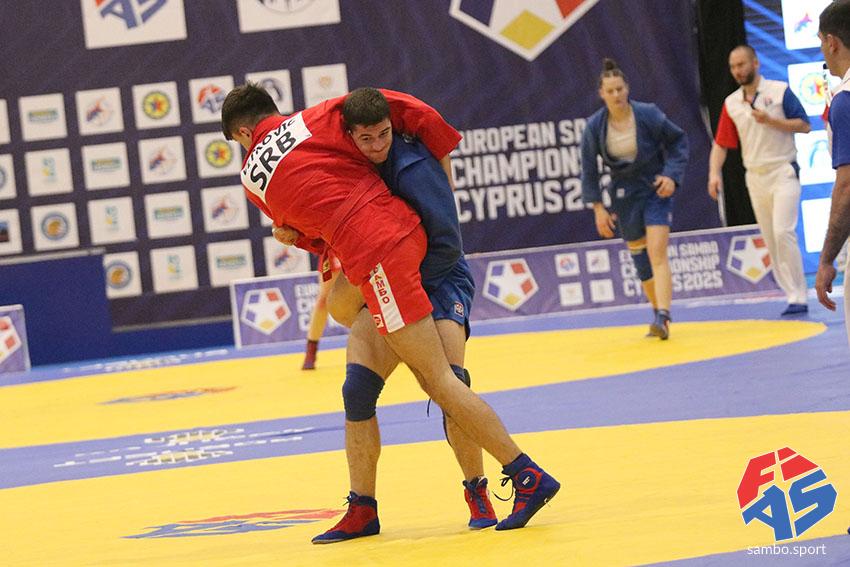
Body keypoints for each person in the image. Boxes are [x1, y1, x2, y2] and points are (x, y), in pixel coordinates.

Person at [222, 84, 559, 537]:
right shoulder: (315, 120)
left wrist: (300, 237)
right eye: (367, 138)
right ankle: (363, 507)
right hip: (394, 249)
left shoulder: (253, 176)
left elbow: (306, 230)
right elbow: (406, 110)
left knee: (442, 380)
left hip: (399, 259)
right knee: (358, 388)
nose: (376, 145)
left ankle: (523, 476)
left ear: (244, 134)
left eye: (382, 135)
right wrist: (443, 142)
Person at [581, 58, 688, 340]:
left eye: (620, 89)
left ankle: (664, 314)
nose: (616, 95)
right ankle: (657, 315)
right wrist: (598, 208)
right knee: (640, 259)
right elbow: (589, 169)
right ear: (601, 94)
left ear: (627, 89)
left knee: (657, 252)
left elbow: (678, 141)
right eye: (610, 91)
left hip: (654, 188)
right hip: (624, 194)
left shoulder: (648, 114)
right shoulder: (594, 127)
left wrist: (671, 175)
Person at [708, 45, 811, 316]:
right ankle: (790, 294)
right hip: (755, 176)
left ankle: (800, 294)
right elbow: (721, 143)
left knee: (783, 231)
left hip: (783, 170)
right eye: (733, 67)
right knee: (770, 238)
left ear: (755, 63)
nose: (737, 70)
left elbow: (805, 124)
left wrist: (771, 121)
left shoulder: (779, 91)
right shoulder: (732, 103)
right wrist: (713, 174)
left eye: (742, 64)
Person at [815, 1, 850, 339]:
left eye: (820, 41)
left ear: (832, 42)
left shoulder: (845, 99)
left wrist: (827, 258)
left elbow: (847, 186)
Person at [299, 253, 341, 370]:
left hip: (360, 247)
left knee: (366, 296)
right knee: (323, 300)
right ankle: (311, 350)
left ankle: (383, 346)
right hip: (334, 249)